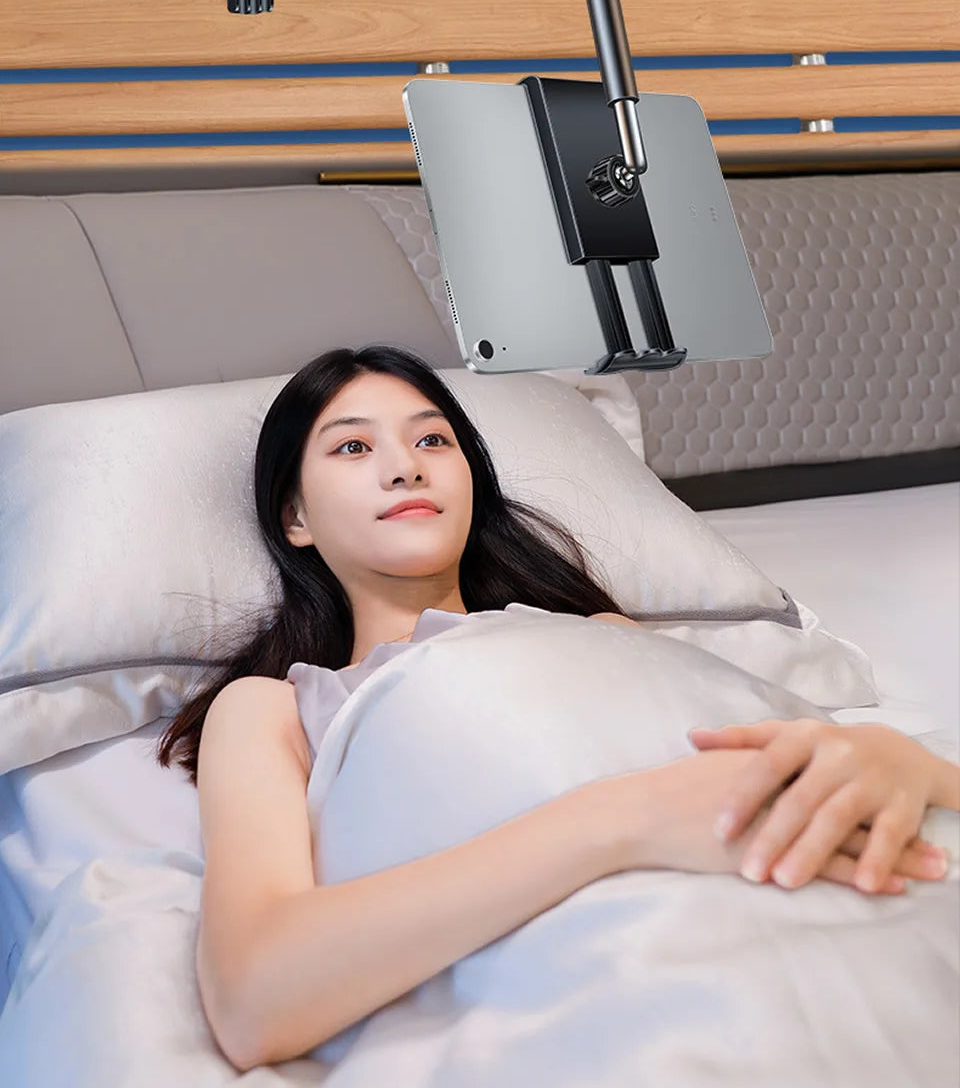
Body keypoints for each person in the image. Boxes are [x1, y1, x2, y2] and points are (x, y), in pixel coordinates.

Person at [156, 344, 959, 1071]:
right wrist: (625, 821)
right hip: (642, 986)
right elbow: (253, 999)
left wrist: (902, 762)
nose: (405, 468)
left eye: (434, 440)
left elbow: (773, 759)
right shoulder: (273, 709)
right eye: (354, 447)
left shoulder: (599, 634)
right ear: (294, 517)